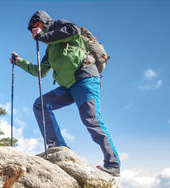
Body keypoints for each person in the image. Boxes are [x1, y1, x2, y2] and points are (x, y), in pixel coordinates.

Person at [10, 10, 121, 176]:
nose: (35, 29)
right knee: (40, 104)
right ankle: (58, 146)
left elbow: (74, 30)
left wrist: (42, 37)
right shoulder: (50, 49)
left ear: (44, 22)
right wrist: (19, 62)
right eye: (33, 28)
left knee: (92, 121)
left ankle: (113, 164)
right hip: (67, 87)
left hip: (85, 79)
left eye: (37, 25)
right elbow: (39, 71)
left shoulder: (61, 26)